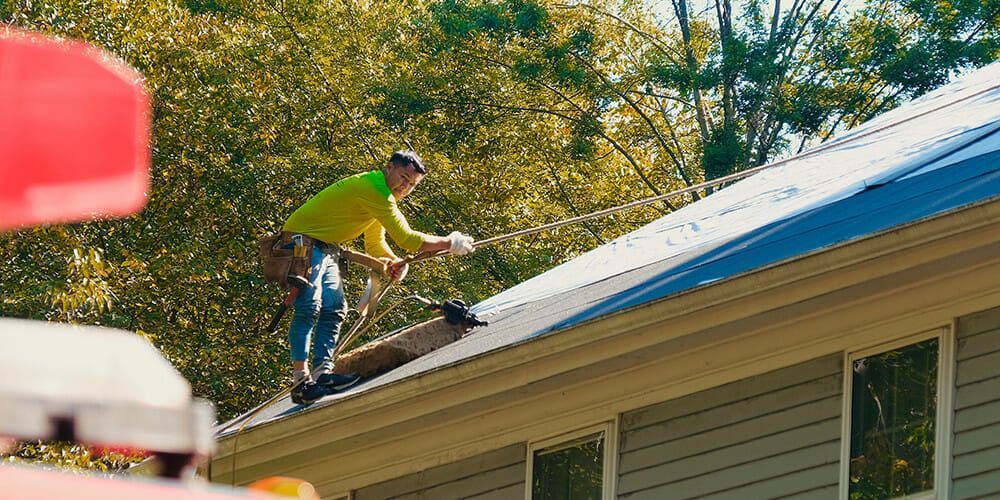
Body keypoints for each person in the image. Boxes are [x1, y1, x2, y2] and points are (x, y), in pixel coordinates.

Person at [281, 150, 475, 404]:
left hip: (324, 248)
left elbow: (375, 243)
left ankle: (322, 373)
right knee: (309, 305)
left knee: (335, 307)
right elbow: (407, 239)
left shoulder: (380, 196)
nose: (405, 187)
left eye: (412, 184)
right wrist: (449, 242)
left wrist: (391, 260)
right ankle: (301, 380)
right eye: (403, 177)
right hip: (301, 244)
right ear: (389, 167)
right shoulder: (374, 189)